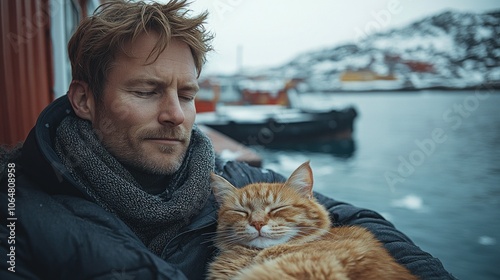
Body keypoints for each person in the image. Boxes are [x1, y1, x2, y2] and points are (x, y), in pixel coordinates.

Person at [0, 0, 456, 279]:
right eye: (146, 91)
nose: (176, 115)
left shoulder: (236, 181)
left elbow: (355, 221)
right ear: (83, 99)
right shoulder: (18, 206)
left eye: (188, 94)